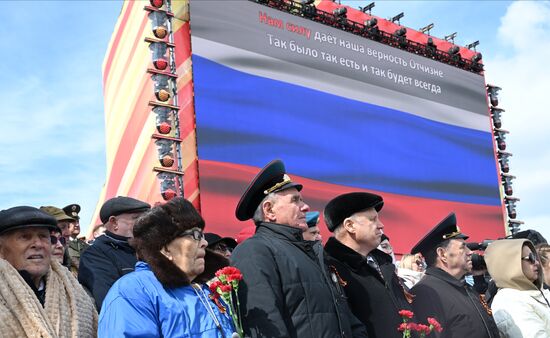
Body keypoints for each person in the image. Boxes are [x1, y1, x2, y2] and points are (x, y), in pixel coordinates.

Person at [231, 159, 367, 338]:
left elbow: (346, 318)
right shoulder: (254, 251)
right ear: (269, 210)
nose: (305, 207)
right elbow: (265, 328)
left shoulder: (312, 253)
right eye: (295, 200)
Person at [99, 197, 235, 337]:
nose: (205, 243)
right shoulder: (132, 291)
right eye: (195, 235)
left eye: (202, 235)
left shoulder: (204, 289)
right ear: (165, 248)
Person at [323, 192, 414, 338]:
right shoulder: (330, 268)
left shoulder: (384, 265)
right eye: (373, 220)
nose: (381, 225)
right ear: (350, 225)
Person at [0, 206, 97, 337]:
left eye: (43, 236)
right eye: (25, 237)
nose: (38, 244)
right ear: (1, 249)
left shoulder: (74, 291)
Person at [410, 212, 500, 338]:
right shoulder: (426, 293)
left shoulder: (463, 287)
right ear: (442, 254)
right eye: (463, 248)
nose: (470, 252)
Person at [78, 196, 150, 310]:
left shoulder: (147, 248)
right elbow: (111, 303)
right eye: (137, 218)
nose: (145, 224)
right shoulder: (94, 255)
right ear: (114, 222)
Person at [485, 239, 550, 337]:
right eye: (530, 258)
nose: (536, 262)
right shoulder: (509, 300)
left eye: (535, 257)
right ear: (510, 263)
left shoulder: (536, 291)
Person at [63, 203, 89, 272]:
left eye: (77, 221)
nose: (77, 224)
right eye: (73, 222)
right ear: (65, 224)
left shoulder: (85, 245)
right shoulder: (61, 245)